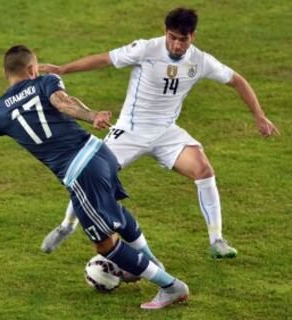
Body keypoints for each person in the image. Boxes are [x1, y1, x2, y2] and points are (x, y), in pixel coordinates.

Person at [0, 45, 189, 309]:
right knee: (113, 210)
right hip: (100, 152)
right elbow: (62, 101)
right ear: (33, 69)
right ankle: (151, 261)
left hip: (80, 172)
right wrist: (91, 116)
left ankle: (170, 286)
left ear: (5, 73)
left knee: (105, 246)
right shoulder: (45, 81)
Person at [39, 7, 279, 259]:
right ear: (165, 32)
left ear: (192, 37)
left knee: (204, 170)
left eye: (182, 40)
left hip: (166, 133)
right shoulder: (145, 49)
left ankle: (216, 240)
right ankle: (67, 226)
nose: (176, 45)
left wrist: (259, 115)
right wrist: (63, 69)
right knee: (91, 173)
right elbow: (104, 59)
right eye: (172, 37)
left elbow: (237, 80)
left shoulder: (200, 61)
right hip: (130, 131)